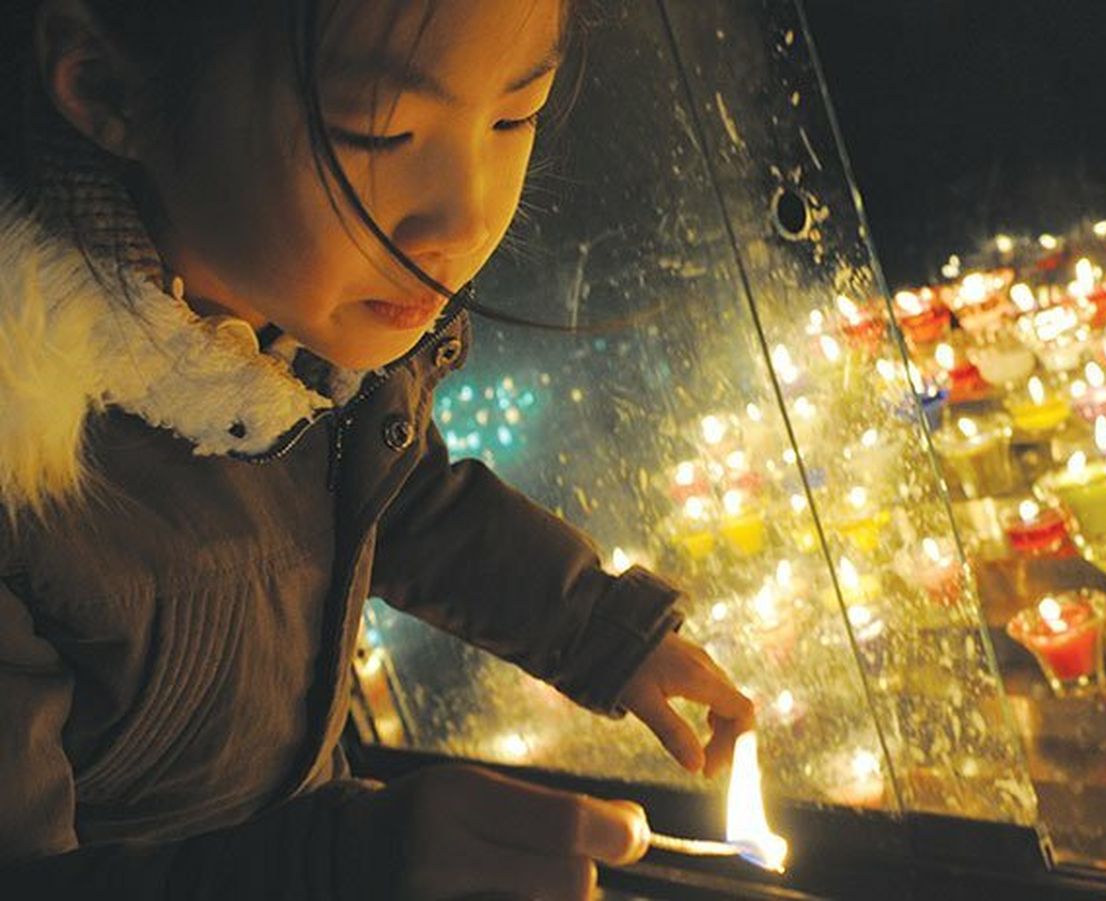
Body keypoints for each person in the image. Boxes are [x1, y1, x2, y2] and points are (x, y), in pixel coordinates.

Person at [0, 0, 756, 897]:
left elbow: (395, 499)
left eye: (516, 115)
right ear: (105, 86)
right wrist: (341, 865)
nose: (465, 218)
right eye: (378, 132)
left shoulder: (303, 344)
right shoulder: (27, 472)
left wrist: (600, 632)